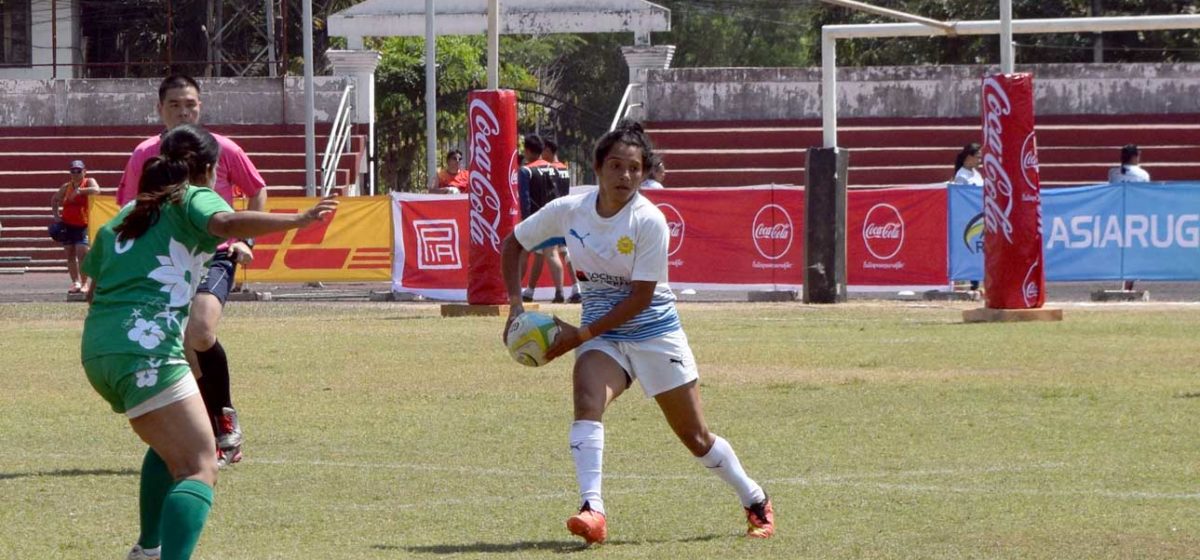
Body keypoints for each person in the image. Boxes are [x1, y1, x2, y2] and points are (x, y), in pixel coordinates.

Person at [500, 120, 775, 545]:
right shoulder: (569, 210)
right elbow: (513, 242)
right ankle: (593, 510)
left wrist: (579, 334)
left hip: (654, 334)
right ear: (597, 167)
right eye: (616, 166)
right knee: (587, 399)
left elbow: (641, 298)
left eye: (634, 168)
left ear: (644, 173)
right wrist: (517, 307)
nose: (625, 176)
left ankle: (755, 498)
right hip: (604, 339)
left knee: (696, 438)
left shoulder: (649, 221)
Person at [82, 124, 337, 560]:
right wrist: (299, 219)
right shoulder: (192, 194)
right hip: (146, 347)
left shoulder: (127, 213)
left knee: (171, 447)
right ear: (209, 167)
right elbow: (227, 222)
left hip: (100, 349)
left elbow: (94, 285)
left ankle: (148, 549)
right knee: (200, 465)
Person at [117, 74, 268, 468]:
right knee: (182, 347)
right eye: (175, 105)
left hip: (214, 253)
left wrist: (245, 240)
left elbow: (257, 188)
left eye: (191, 104)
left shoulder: (222, 148)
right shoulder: (144, 153)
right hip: (168, 259)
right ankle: (206, 432)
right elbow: (130, 207)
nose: (184, 111)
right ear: (159, 109)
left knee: (200, 332)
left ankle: (224, 420)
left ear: (200, 106)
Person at [517, 134, 566, 303]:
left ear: (528, 151)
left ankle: (515, 290)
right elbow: (559, 192)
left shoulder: (526, 170)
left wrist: (525, 221)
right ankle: (559, 292)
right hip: (553, 216)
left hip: (535, 217)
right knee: (552, 253)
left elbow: (524, 198)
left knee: (522, 253)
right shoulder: (554, 168)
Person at [50, 159, 101, 293]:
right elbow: (54, 199)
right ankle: (75, 282)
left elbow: (97, 190)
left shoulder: (88, 182)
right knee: (70, 254)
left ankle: (85, 283)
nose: (75, 173)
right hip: (67, 225)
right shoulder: (66, 186)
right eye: (73, 171)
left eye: (78, 171)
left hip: (83, 225)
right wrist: (56, 217)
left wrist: (80, 191)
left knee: (82, 254)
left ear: (84, 171)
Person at [542, 139, 583, 304]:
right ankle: (578, 288)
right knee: (567, 252)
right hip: (567, 214)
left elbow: (549, 193)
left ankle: (566, 290)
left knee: (555, 252)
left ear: (548, 151)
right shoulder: (564, 168)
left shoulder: (549, 170)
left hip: (554, 214)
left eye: (543, 151)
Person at [1108, 145, 1150, 290]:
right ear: (1134, 157)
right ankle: (1128, 283)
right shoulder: (1142, 174)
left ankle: (1126, 281)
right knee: (1133, 249)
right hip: (1136, 216)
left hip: (1118, 214)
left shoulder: (1113, 173)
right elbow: (1146, 195)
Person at [950, 143, 983, 291]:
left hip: (979, 215)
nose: (979, 160)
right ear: (969, 157)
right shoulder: (961, 176)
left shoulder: (976, 173)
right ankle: (966, 282)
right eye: (977, 157)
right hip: (966, 218)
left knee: (977, 250)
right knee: (968, 249)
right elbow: (961, 198)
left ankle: (976, 281)